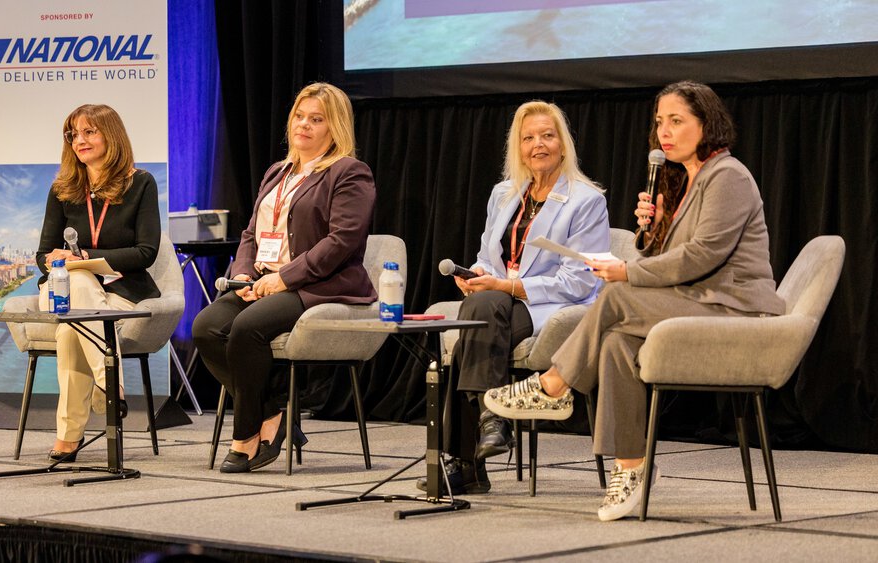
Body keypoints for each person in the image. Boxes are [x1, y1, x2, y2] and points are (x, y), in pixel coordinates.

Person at [485, 81, 786, 520]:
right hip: (703, 300)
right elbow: (676, 259)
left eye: (677, 121)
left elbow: (703, 256)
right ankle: (631, 467)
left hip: (737, 307)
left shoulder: (728, 175)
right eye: (660, 122)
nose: (664, 131)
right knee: (615, 344)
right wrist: (655, 230)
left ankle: (554, 384)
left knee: (617, 295)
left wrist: (630, 269)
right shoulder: (689, 181)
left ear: (707, 124)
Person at [417, 101, 610, 495]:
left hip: (552, 307)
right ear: (517, 147)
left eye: (547, 135)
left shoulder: (586, 200)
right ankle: (491, 423)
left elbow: (580, 281)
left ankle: (468, 458)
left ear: (563, 144)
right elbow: (490, 258)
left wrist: (506, 287)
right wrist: (476, 275)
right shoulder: (504, 193)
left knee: (478, 316)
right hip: (499, 304)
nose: (538, 145)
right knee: (479, 310)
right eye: (528, 138)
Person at [192, 82, 377, 473]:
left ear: (334, 127)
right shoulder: (277, 172)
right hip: (262, 279)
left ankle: (246, 436)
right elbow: (249, 234)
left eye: (316, 119)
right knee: (207, 327)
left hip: (321, 284)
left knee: (247, 328)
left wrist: (286, 278)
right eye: (299, 116)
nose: (304, 125)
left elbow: (342, 240)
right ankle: (275, 412)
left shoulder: (348, 172)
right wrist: (242, 272)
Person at [36, 104, 161, 461]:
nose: (79, 140)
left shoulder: (141, 184)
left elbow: (146, 252)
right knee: (77, 281)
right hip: (60, 292)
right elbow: (42, 254)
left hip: (121, 293)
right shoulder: (62, 188)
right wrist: (60, 261)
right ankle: (111, 385)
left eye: (89, 131)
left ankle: (68, 436)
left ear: (111, 134)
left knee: (68, 330)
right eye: (73, 134)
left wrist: (84, 258)